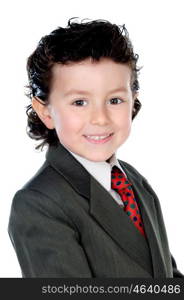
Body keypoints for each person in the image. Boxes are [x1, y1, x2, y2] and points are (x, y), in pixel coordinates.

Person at [8, 17, 183, 278]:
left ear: (133, 100)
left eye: (114, 99)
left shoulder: (135, 182)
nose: (100, 118)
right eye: (79, 102)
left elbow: (166, 276)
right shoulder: (38, 205)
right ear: (45, 111)